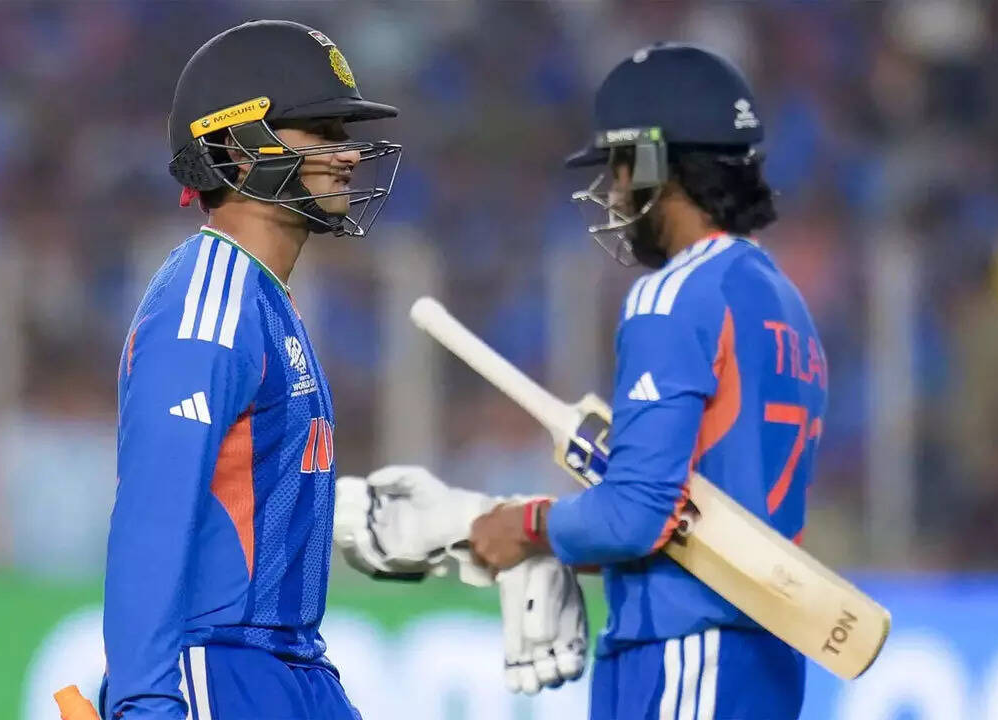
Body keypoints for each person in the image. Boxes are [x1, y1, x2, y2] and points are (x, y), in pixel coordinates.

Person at [343, 44, 822, 720]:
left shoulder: (675, 295)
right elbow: (699, 517)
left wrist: (524, 526)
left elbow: (640, 513)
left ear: (652, 163)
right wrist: (555, 543)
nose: (616, 194)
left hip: (685, 648)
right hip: (764, 655)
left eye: (620, 169)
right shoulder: (784, 301)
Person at [101, 19, 402, 720]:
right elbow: (151, 521)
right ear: (237, 150)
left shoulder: (262, 295)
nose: (347, 154)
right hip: (219, 666)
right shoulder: (206, 299)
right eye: (321, 131)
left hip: (293, 666)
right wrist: (144, 704)